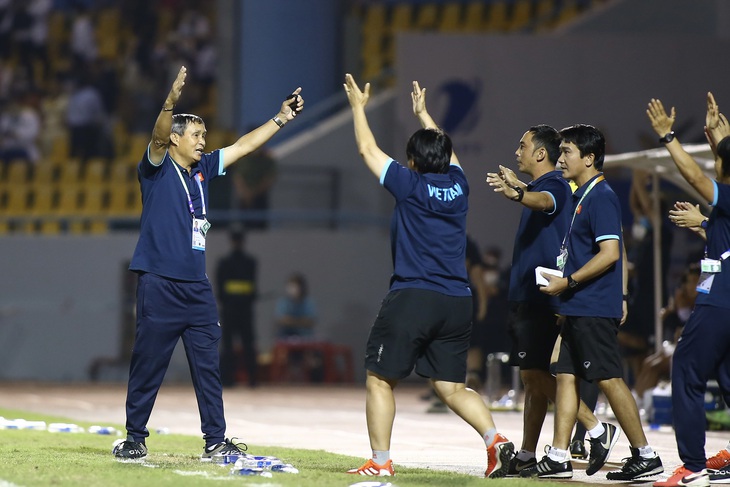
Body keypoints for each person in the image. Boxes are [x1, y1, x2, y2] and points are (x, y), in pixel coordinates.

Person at [112, 65, 303, 461]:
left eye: (204, 135)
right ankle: (134, 438)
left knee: (208, 368)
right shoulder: (156, 168)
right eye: (196, 135)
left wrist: (281, 118)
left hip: (196, 288)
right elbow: (157, 136)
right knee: (148, 364)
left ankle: (215, 441)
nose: (203, 141)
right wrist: (169, 102)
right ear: (176, 138)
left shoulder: (202, 169)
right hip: (159, 283)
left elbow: (245, 146)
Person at [343, 74, 514, 478]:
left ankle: (380, 463)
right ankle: (496, 442)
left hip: (414, 296)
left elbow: (367, 149)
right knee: (452, 387)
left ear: (414, 161)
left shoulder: (408, 183)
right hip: (457, 301)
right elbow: (448, 152)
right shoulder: (459, 185)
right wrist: (424, 116)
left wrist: (357, 108)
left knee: (380, 379)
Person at [522, 124, 664, 480]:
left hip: (591, 304)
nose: (561, 158)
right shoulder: (581, 194)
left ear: (589, 158)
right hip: (577, 304)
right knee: (565, 375)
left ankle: (645, 455)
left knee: (610, 379)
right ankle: (557, 455)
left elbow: (612, 253)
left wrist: (568, 281)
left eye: (567, 151)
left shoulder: (601, 196)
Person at [486, 124, 615, 477]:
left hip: (540, 298)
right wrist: (520, 188)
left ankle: (597, 429)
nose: (517, 151)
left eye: (522, 144)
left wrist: (517, 194)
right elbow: (537, 197)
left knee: (537, 375)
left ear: (540, 153)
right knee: (534, 381)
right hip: (529, 295)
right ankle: (528, 453)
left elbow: (545, 202)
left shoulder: (554, 185)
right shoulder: (541, 185)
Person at [646, 92, 730, 487]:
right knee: (728, 380)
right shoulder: (724, 210)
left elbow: (700, 181)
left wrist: (667, 137)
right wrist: (718, 145)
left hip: (720, 302)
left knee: (686, 370)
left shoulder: (726, 198)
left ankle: (693, 467)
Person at [216, 225, 258, 388]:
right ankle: (234, 379)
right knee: (232, 346)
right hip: (236, 309)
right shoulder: (247, 263)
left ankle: (238, 379)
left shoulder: (231, 263)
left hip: (235, 309)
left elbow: (223, 290)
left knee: (242, 345)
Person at [274, 272, 317, 339]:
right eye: (291, 286)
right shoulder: (283, 302)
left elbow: (310, 321)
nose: (293, 289)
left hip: (305, 336)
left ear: (301, 287)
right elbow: (282, 320)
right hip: (286, 336)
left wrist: (292, 321)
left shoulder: (308, 302)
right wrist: (300, 321)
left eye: (295, 286)